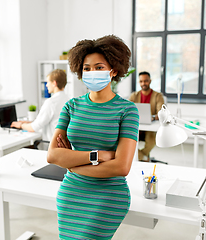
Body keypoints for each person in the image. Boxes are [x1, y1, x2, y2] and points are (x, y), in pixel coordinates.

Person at [47, 35, 139, 240]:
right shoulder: (71, 106)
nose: (91, 73)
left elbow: (121, 167)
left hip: (107, 197)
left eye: (99, 67)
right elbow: (53, 156)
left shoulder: (127, 110)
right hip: (71, 193)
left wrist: (72, 163)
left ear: (113, 70)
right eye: (87, 68)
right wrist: (98, 156)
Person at [10, 69, 69, 141]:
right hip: (63, 143)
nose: (46, 85)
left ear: (54, 83)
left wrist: (20, 125)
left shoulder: (51, 102)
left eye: (48, 82)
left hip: (51, 144)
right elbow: (49, 120)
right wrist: (29, 122)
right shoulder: (68, 100)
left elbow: (34, 128)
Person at [129, 71, 164, 162]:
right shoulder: (134, 95)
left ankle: (140, 156)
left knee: (152, 140)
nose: (143, 83)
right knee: (125, 139)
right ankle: (144, 157)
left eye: (146, 81)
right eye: (141, 81)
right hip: (137, 125)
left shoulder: (158, 96)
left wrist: (152, 117)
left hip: (150, 127)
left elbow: (161, 112)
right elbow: (128, 110)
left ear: (150, 81)